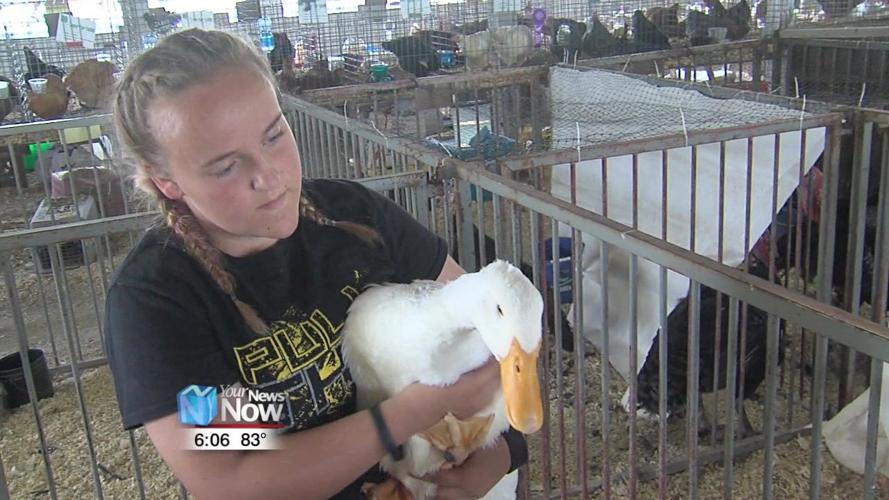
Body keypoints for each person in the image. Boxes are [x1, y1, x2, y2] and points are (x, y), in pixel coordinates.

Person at [104, 28, 528, 499]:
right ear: (168, 183)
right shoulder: (162, 298)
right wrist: (423, 408)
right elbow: (236, 477)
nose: (268, 176)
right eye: (226, 167)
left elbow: (491, 334)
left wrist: (503, 453)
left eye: (273, 135)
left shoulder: (356, 215)